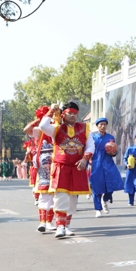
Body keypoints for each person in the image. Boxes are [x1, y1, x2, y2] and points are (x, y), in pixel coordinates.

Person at [39, 102, 93, 238]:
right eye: (70, 113)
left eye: (75, 113)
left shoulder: (84, 128)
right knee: (60, 197)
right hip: (60, 167)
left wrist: (85, 159)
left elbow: (91, 146)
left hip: (77, 167)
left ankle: (67, 225)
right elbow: (42, 126)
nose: (73, 116)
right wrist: (51, 110)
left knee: (72, 198)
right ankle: (60, 226)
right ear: (63, 114)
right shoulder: (55, 128)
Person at [25, 107, 56, 232]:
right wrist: (38, 120)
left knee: (55, 193)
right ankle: (42, 221)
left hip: (56, 161)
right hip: (43, 162)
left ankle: (49, 222)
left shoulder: (56, 128)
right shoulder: (39, 130)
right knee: (44, 193)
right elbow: (26, 130)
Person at [89, 117, 125, 218]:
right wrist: (88, 159)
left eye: (104, 124)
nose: (102, 126)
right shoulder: (93, 137)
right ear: (97, 126)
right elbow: (88, 150)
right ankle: (98, 209)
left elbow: (114, 152)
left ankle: (105, 199)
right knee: (96, 187)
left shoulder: (110, 137)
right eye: (100, 124)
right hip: (96, 164)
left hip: (108, 163)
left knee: (113, 183)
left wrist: (113, 151)